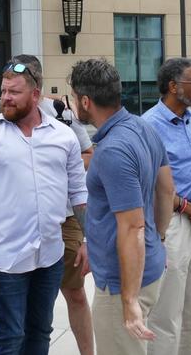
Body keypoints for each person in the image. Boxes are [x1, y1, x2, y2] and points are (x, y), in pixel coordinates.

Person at [0, 58, 88, 355]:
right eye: (3, 91)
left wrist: (89, 239)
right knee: (9, 336)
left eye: (14, 92)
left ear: (36, 95)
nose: (6, 98)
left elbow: (79, 191)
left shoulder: (63, 136)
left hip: (50, 257)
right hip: (6, 258)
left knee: (40, 332)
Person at [68, 58, 173, 355]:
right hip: (148, 264)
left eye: (74, 97)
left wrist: (128, 301)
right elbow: (166, 190)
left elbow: (132, 226)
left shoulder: (112, 150)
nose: (73, 103)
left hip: (122, 283)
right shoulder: (143, 127)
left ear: (85, 101)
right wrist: (160, 240)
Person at [11, 54, 95, 355]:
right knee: (19, 298)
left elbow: (89, 154)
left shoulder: (61, 112)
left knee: (74, 293)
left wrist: (56, 165)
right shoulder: (3, 112)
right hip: (20, 220)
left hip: (65, 219)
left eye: (31, 76)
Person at [143, 58, 191, 355]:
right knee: (166, 314)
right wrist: (188, 207)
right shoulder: (149, 126)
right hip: (172, 224)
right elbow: (150, 185)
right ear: (173, 86)